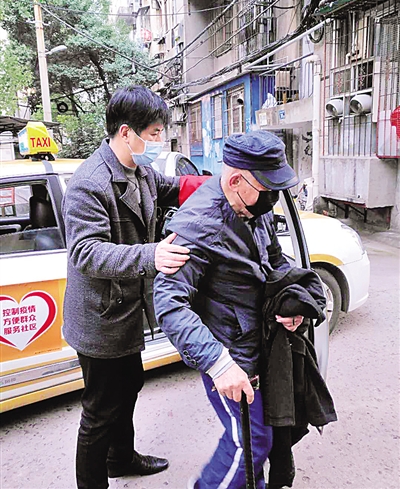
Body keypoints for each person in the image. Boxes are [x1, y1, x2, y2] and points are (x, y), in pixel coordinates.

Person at [153, 131, 335, 489]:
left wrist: (290, 303)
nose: (272, 198)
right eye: (266, 189)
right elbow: (170, 304)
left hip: (260, 342)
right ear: (235, 180)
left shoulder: (252, 204)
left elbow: (274, 260)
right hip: (229, 355)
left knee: (267, 437)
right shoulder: (198, 225)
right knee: (249, 444)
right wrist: (219, 364)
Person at [62, 85, 193, 489]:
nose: (160, 141)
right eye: (154, 133)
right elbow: (86, 252)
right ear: (126, 132)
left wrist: (218, 185)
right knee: (99, 410)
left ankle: (120, 459)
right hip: (100, 317)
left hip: (127, 310)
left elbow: (172, 188)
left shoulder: (140, 171)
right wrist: (151, 255)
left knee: (129, 385)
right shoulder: (90, 182)